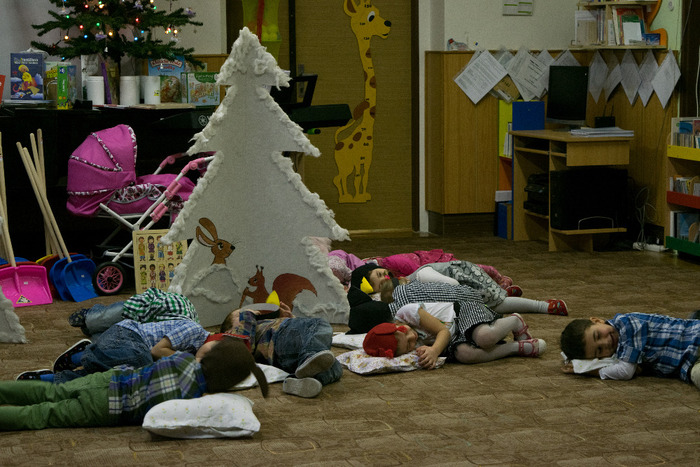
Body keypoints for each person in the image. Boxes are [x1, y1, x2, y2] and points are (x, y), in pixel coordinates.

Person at [0, 336, 267, 431]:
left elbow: (158, 355)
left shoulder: (183, 359)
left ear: (210, 355)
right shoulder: (192, 398)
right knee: (43, 415)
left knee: (50, 391)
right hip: (108, 409)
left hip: (109, 379)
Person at [18, 316, 210, 385]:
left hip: (124, 352)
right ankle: (83, 355)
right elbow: (157, 350)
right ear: (219, 336)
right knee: (144, 364)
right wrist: (189, 362)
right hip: (127, 335)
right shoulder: (195, 330)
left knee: (107, 379)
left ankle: (47, 381)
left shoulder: (197, 353)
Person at [363, 296, 546, 367]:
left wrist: (434, 350)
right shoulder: (406, 347)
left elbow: (443, 331)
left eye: (406, 332)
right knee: (465, 355)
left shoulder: (408, 312)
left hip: (461, 314)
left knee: (485, 337)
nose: (413, 338)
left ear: (398, 326)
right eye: (408, 346)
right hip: (454, 337)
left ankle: (515, 320)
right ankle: (515, 348)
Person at [351, 262, 568, 316]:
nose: (385, 277)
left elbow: (454, 285)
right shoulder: (403, 290)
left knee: (499, 306)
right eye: (379, 280)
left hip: (465, 279)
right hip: (462, 285)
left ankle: (544, 306)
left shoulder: (420, 277)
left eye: (382, 273)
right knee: (494, 301)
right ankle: (500, 291)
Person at [220, 302, 342, 398]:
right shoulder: (236, 336)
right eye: (239, 315)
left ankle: (298, 381)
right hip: (280, 339)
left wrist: (290, 318)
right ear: (228, 331)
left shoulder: (258, 325)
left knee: (334, 365)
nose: (252, 314)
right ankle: (308, 357)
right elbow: (245, 344)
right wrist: (247, 314)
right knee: (320, 323)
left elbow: (302, 331)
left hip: (285, 358)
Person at [559, 313, 700, 389]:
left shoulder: (627, 326)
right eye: (599, 350)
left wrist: (590, 371)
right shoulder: (619, 352)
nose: (606, 342)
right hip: (689, 363)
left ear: (597, 321)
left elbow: (625, 371)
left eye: (598, 335)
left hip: (695, 341)